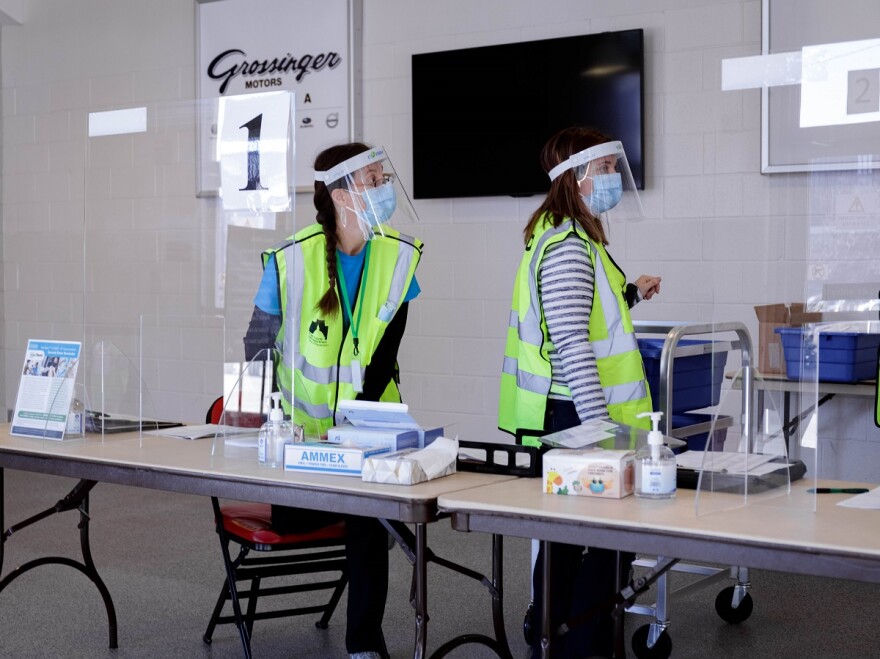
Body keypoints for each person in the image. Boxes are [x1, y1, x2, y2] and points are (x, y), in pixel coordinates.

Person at [243, 141, 423, 659]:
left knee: (366, 521)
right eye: (373, 180)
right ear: (342, 194)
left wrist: (357, 432)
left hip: (367, 439)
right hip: (301, 444)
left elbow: (385, 355)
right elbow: (255, 351)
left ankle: (364, 643)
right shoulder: (290, 258)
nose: (384, 188)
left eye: (383, 178)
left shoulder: (397, 257)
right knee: (315, 520)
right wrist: (267, 429)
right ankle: (378, 520)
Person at [498, 126, 661, 658]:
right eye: (608, 167)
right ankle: (580, 639)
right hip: (578, 415)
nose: (615, 176)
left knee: (566, 536)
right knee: (613, 535)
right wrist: (600, 434)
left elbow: (585, 320)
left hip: (566, 412)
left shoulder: (564, 234)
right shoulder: (568, 244)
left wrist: (630, 293)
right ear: (579, 175)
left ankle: (553, 629)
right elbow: (570, 340)